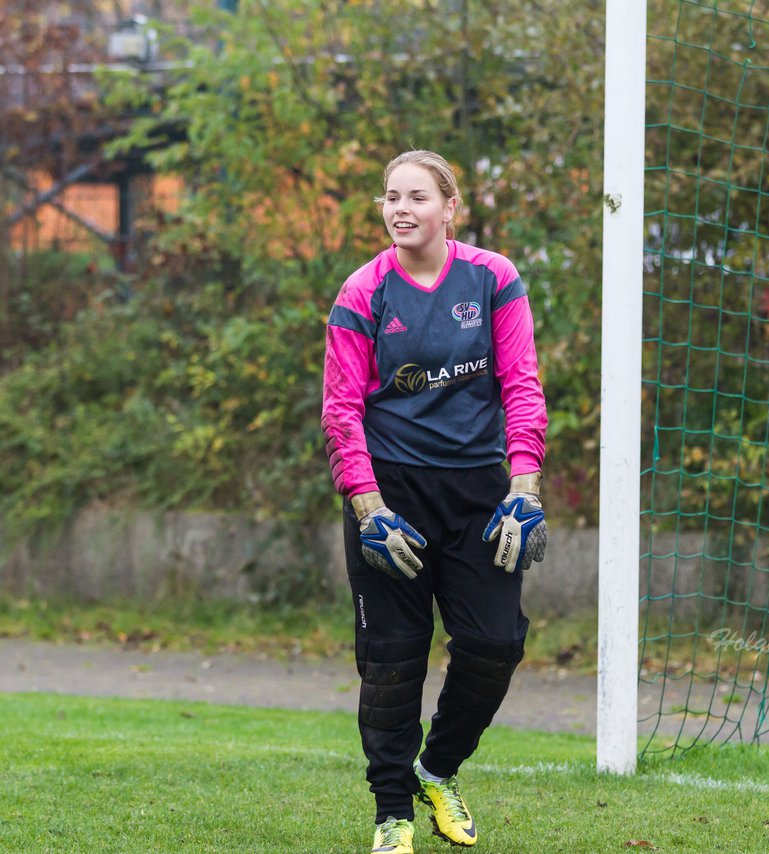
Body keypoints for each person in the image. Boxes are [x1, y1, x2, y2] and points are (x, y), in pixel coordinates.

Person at [320, 149, 549, 854]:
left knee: (496, 644)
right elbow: (340, 412)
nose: (401, 210)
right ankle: (392, 813)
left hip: (479, 491)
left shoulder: (494, 279)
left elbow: (522, 386)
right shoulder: (362, 292)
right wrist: (368, 509)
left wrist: (524, 488)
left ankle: (438, 769)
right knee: (391, 660)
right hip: (393, 493)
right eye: (391, 197)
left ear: (451, 208)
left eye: (417, 197)